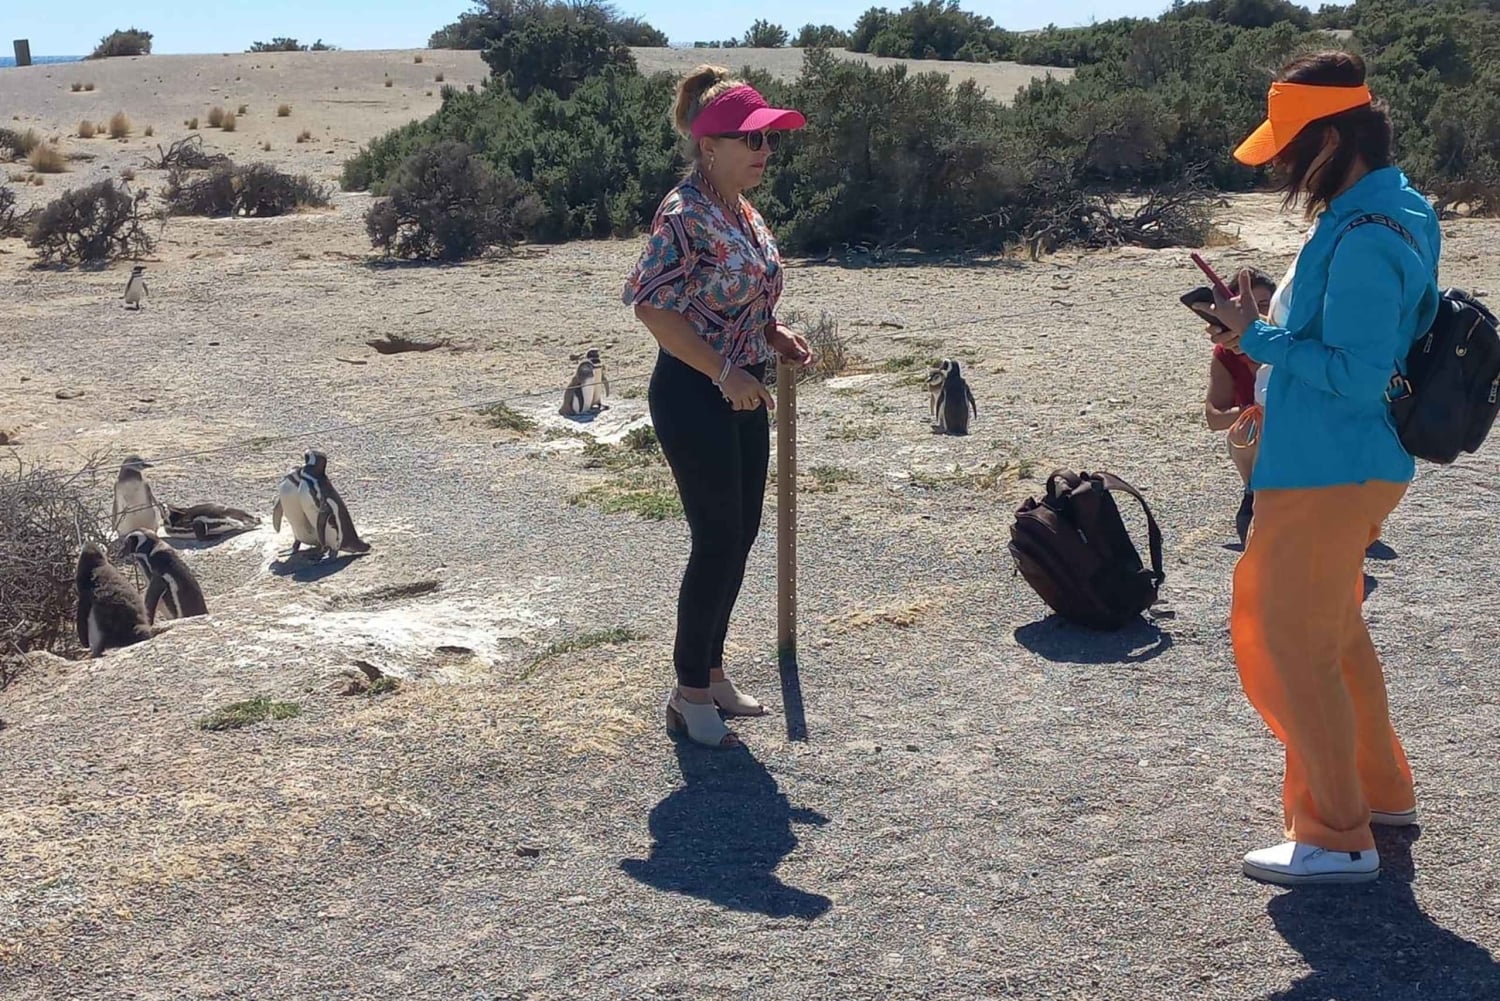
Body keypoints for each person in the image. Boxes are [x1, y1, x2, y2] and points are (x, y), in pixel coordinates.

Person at [1203, 51, 1441, 885]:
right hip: (1341, 463)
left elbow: (1358, 369)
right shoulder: (1384, 210)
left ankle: (1336, 835)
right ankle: (1379, 795)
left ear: (1335, 138)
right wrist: (1257, 329)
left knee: (1288, 643)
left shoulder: (1368, 233)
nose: (1282, 170)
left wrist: (1255, 336)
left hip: (1329, 467)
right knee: (1333, 639)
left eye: (1292, 148)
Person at [622, 66, 814, 750]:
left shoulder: (742, 210)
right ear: (709, 145)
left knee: (742, 535)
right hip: (692, 392)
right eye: (749, 139)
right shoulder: (684, 214)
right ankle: (688, 693)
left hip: (743, 387)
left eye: (767, 139)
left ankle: (713, 668)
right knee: (715, 539)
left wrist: (769, 332)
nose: (763, 151)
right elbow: (652, 307)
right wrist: (725, 368)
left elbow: (738, 294)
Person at [1202, 270, 1277, 543]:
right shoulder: (1226, 354)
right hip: (1256, 440)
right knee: (1249, 428)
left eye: (1264, 306)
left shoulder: (1287, 346)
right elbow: (1214, 417)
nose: (1254, 316)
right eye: (1245, 307)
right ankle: (1253, 493)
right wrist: (1258, 409)